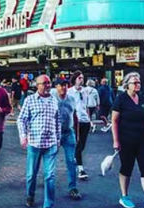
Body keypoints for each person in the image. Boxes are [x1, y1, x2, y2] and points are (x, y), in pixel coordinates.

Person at [111, 72, 144, 208]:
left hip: (143, 139)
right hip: (126, 139)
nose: (137, 85)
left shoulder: (142, 98)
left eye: (139, 82)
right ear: (127, 85)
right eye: (134, 83)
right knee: (126, 167)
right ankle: (124, 196)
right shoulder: (121, 99)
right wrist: (116, 141)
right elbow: (114, 120)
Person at [18, 74, 61, 208]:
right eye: (44, 83)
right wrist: (23, 136)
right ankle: (30, 195)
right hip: (34, 144)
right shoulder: (30, 100)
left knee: (50, 176)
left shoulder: (54, 100)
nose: (48, 85)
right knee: (31, 175)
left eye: (49, 83)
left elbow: (58, 120)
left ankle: (48, 204)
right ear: (37, 85)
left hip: (51, 144)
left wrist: (58, 138)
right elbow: (21, 119)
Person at [50, 78, 82, 201]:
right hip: (54, 134)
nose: (63, 88)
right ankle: (49, 184)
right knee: (51, 159)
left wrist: (77, 134)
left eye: (65, 85)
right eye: (61, 85)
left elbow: (75, 116)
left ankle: (73, 188)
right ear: (56, 87)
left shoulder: (72, 99)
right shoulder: (52, 97)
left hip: (69, 133)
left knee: (71, 161)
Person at [67, 70, 91, 180]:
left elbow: (86, 106)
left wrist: (90, 120)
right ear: (75, 79)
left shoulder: (85, 91)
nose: (82, 80)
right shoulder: (69, 92)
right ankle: (81, 169)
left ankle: (76, 158)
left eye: (82, 78)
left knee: (82, 146)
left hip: (85, 121)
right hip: (75, 121)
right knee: (78, 144)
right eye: (79, 78)